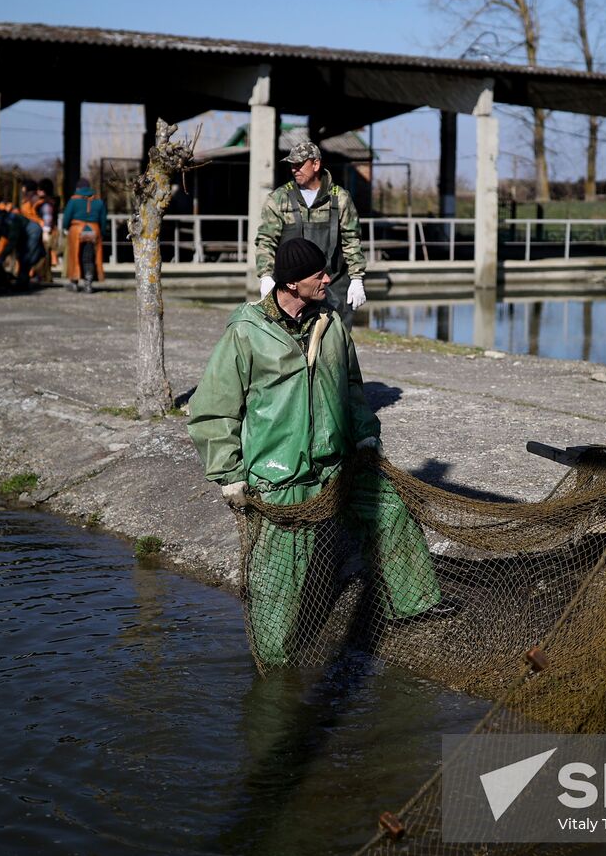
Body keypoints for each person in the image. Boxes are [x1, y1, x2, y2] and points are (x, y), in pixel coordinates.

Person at [188, 238, 444, 667]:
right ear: (291, 282)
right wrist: (228, 473)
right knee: (278, 578)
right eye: (319, 274)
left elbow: (352, 386)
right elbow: (212, 410)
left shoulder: (332, 324)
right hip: (280, 476)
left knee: (390, 509)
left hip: (338, 464)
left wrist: (364, 435)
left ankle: (416, 604)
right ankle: (273, 664)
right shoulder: (246, 333)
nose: (328, 278)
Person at [254, 142, 367, 324]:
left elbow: (351, 240)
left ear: (315, 164)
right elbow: (266, 241)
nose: (294, 169)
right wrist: (266, 276)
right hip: (292, 289)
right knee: (290, 343)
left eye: (299, 164)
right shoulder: (279, 198)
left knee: (334, 342)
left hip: (333, 285)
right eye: (292, 165)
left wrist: (357, 278)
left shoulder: (340, 198)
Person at [61, 177, 107, 293]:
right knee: (89, 258)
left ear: (78, 188)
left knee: (74, 256)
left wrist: (65, 228)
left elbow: (66, 218)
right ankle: (88, 283)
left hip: (76, 230)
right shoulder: (99, 201)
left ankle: (74, 283)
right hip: (93, 231)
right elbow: (103, 220)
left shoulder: (73, 200)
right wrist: (102, 233)